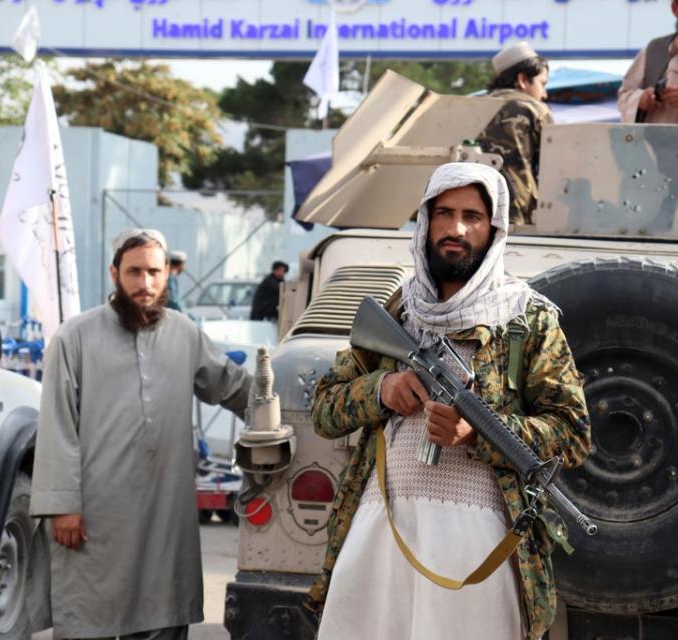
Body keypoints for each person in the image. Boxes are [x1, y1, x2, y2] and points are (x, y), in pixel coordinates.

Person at [305, 163, 592, 639]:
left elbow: (573, 435)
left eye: (472, 217)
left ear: (493, 228)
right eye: (445, 213)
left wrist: (478, 433)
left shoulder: (526, 319)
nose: (456, 229)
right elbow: (324, 408)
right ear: (426, 220)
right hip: (382, 527)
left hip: (478, 537)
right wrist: (381, 390)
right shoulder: (399, 311)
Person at [30, 228, 252, 640]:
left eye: (153, 272)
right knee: (87, 618)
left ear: (168, 274)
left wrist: (295, 406)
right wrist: (61, 505)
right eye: (134, 272)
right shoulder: (74, 337)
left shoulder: (185, 334)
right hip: (93, 517)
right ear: (115, 273)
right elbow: (57, 424)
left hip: (163, 517)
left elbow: (234, 386)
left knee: (161, 614)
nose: (144, 284)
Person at [475, 41, 553, 226]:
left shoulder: (473, 106)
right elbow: (555, 168)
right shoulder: (535, 110)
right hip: (517, 211)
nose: (544, 94)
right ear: (523, 80)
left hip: (472, 208)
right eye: (542, 84)